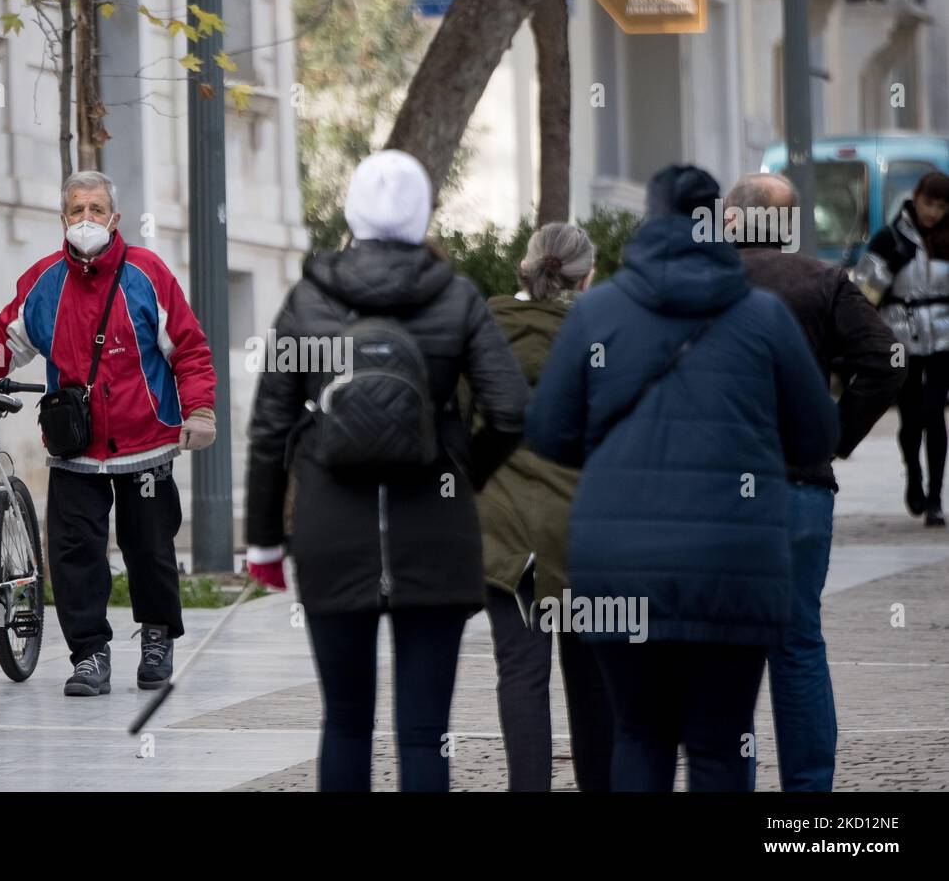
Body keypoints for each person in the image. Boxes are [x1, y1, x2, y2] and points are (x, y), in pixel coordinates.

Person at [525, 164, 839, 792]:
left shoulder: (597, 316)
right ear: (715, 223)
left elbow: (548, 435)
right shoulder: (764, 318)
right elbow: (817, 437)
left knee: (638, 734)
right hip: (734, 563)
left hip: (617, 564)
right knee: (720, 746)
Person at [243, 150, 530, 792]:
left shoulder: (308, 297)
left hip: (330, 531)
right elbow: (510, 411)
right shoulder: (456, 296)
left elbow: (268, 426)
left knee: (345, 722)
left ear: (352, 210)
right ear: (425, 211)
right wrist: (461, 474)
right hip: (435, 531)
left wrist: (263, 539)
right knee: (426, 731)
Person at [0, 170, 218, 697]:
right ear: (62, 219)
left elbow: (189, 349)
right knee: (73, 554)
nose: (86, 219)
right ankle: (89, 654)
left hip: (147, 441)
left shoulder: (147, 274)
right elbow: (4, 342)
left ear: (115, 219)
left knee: (150, 548)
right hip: (75, 446)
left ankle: (157, 638)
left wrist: (199, 411)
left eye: (96, 209)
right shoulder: (44, 282)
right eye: (76, 210)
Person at [726, 173, 904, 791]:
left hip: (721, 494)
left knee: (728, 655)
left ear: (731, 220)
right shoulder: (825, 281)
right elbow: (886, 360)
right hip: (800, 488)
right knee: (799, 643)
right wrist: (832, 435)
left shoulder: (702, 285)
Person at [471, 223, 613, 791]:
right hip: (582, 529)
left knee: (520, 672)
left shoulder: (482, 327)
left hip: (502, 530)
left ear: (524, 269)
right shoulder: (603, 334)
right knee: (591, 678)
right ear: (589, 277)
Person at [853, 170, 949, 526]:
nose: (933, 213)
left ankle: (936, 498)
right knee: (911, 418)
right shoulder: (890, 237)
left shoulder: (946, 239)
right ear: (916, 197)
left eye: (941, 206)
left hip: (942, 338)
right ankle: (913, 475)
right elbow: (863, 292)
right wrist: (891, 265)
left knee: (935, 412)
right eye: (928, 203)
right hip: (901, 339)